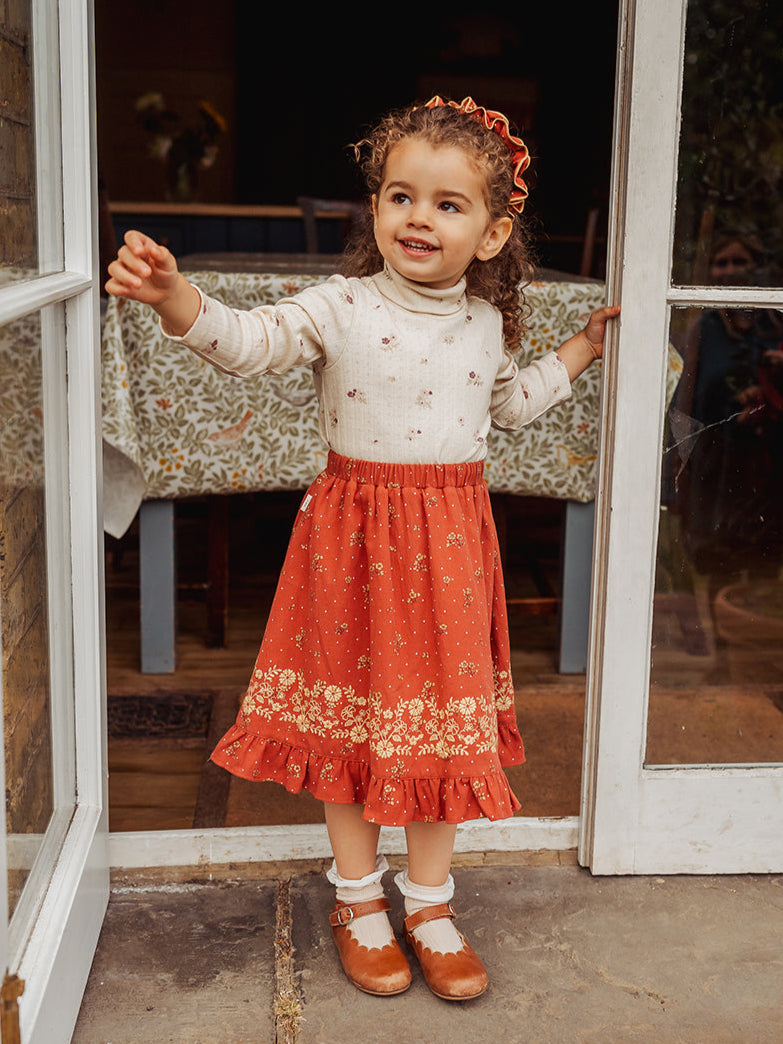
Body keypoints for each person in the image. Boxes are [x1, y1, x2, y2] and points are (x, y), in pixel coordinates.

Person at [106, 95, 620, 1002]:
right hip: (350, 546)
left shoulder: (485, 324)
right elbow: (252, 342)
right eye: (400, 196)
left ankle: (429, 905)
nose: (418, 217)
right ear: (375, 207)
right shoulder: (338, 306)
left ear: (493, 234)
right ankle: (356, 899)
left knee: (439, 731)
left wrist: (580, 348)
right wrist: (175, 298)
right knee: (349, 725)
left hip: (452, 551)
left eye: (447, 204)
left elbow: (509, 405)